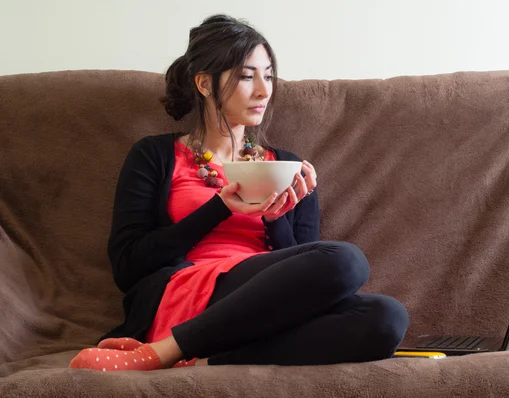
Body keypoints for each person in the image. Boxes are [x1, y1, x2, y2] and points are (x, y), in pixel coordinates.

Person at [69, 14, 409, 372]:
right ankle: (163, 351)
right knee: (346, 260)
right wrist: (219, 207)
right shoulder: (155, 156)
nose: (264, 90)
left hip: (261, 310)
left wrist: (273, 219)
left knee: (387, 318)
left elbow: (307, 272)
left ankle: (205, 359)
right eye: (247, 76)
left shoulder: (287, 167)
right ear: (204, 84)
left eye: (268, 75)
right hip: (188, 292)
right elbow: (128, 267)